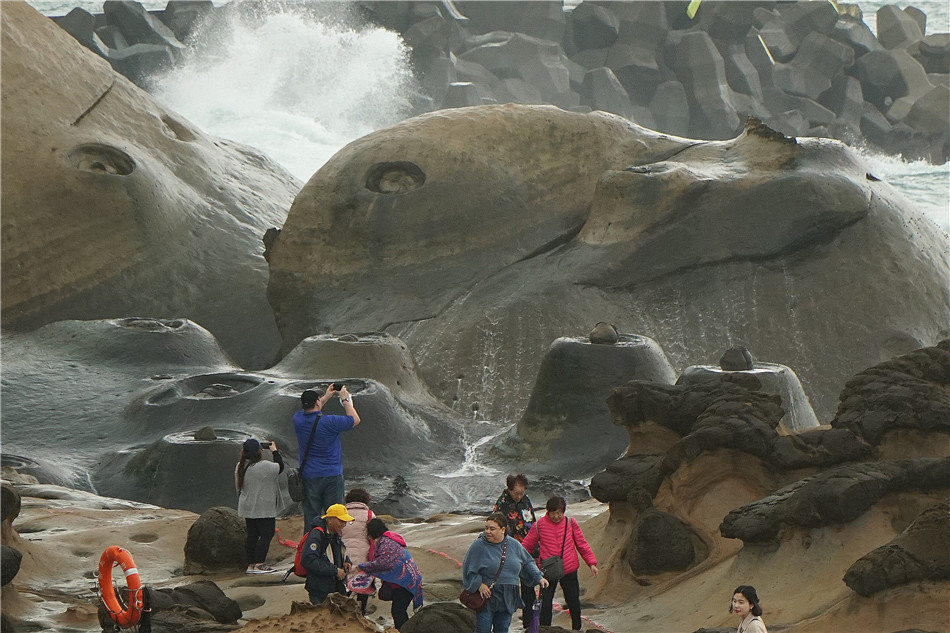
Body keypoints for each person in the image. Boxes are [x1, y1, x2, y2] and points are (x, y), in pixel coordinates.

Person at [462, 512, 549, 633]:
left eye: (492, 529)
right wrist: (479, 584)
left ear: (503, 529)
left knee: (502, 629)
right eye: (486, 528)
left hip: (508, 596)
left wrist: (538, 577)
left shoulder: (514, 545)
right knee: (483, 629)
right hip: (486, 597)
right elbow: (468, 569)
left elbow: (527, 562)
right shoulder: (479, 545)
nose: (488, 531)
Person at [521, 496, 598, 631]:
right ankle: (545, 629)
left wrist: (591, 563)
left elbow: (582, 544)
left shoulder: (570, 523)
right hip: (548, 572)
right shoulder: (539, 526)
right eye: (553, 513)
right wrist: (516, 562)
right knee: (545, 604)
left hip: (569, 569)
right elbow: (526, 546)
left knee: (573, 601)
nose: (556, 516)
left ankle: (577, 629)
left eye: (559, 512)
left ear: (563, 511)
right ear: (548, 512)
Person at [292, 384, 361, 531]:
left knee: (312, 516)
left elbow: (313, 408)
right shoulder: (330, 422)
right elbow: (355, 419)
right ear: (317, 402)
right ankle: (336, 549)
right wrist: (345, 399)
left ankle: (311, 548)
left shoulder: (298, 419)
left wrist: (327, 395)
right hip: (332, 475)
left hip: (309, 476)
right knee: (335, 517)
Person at [357, 518, 423, 630]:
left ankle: (403, 631)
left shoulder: (386, 543)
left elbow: (383, 563)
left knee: (398, 612)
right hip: (409, 580)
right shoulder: (390, 539)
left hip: (404, 583)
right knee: (399, 611)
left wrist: (363, 566)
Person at [492, 473, 537, 628]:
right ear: (509, 489)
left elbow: (533, 523)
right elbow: (496, 528)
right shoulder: (502, 503)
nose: (519, 496)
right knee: (508, 589)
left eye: (522, 492)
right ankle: (502, 625)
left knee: (528, 588)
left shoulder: (526, 501)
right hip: (509, 552)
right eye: (516, 493)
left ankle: (529, 624)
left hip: (527, 550)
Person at [235, 438, 284, 574]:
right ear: (259, 451)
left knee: (252, 535)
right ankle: (260, 564)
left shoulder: (240, 466)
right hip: (264, 508)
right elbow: (280, 466)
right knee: (266, 534)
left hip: (247, 507)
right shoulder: (265, 466)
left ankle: (251, 565)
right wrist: (275, 451)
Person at [301, 503, 354, 604]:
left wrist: (346, 562)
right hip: (320, 589)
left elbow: (337, 554)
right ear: (330, 520)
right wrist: (334, 570)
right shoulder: (317, 535)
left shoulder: (334, 534)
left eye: (345, 521)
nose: (344, 524)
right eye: (341, 520)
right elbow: (308, 560)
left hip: (334, 587)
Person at [341, 488, 375, 614]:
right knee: (363, 584)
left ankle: (344, 611)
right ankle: (361, 612)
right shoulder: (369, 515)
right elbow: (374, 538)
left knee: (345, 583)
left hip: (344, 555)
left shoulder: (341, 514)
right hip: (364, 555)